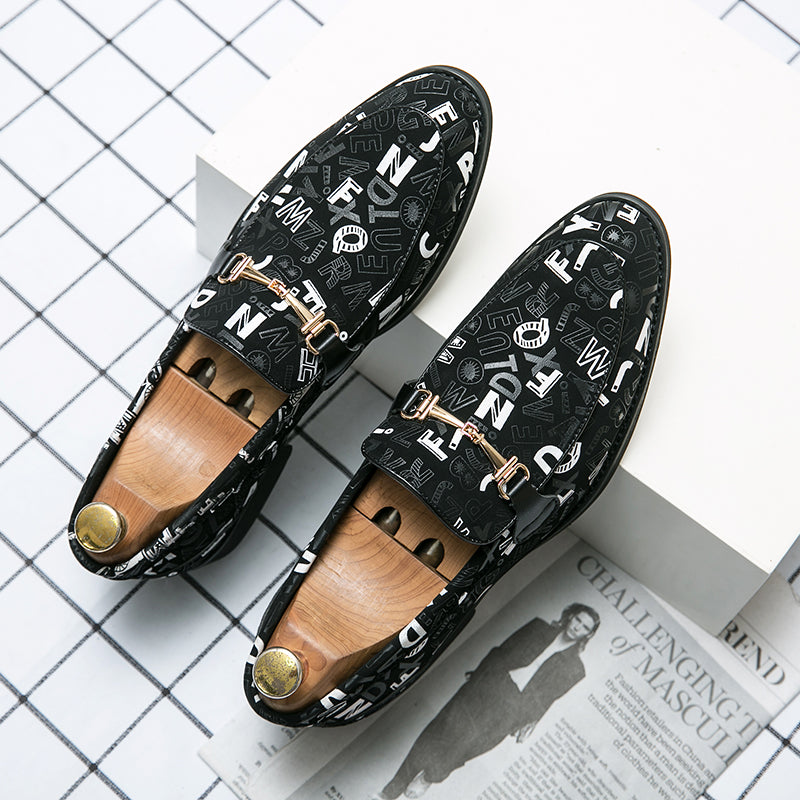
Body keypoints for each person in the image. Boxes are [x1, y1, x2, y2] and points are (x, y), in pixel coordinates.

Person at [378, 603, 601, 799]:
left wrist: (528, 721)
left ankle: (430, 776)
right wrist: (478, 676)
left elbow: (548, 699)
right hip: (488, 684)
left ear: (588, 635)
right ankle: (390, 791)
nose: (577, 628)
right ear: (570, 616)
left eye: (584, 627)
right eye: (577, 620)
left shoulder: (575, 670)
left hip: (513, 707)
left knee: (465, 746)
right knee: (438, 731)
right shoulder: (538, 627)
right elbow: (501, 651)